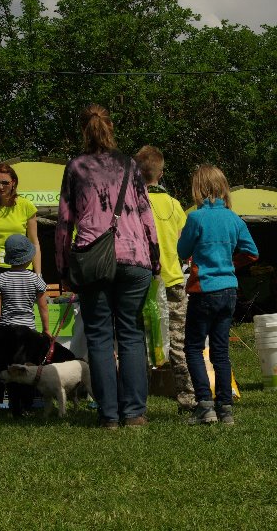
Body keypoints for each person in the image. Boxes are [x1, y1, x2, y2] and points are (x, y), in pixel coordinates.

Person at [55, 104, 160, 429]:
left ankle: (109, 415)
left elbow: (64, 223)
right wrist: (154, 258)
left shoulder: (76, 167)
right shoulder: (129, 165)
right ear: (110, 128)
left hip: (92, 259)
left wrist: (63, 268)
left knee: (99, 337)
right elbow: (146, 214)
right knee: (131, 334)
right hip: (134, 257)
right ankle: (135, 413)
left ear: (83, 130)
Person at [177, 165, 258, 426]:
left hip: (204, 289)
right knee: (221, 351)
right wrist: (231, 264)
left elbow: (182, 251)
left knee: (193, 347)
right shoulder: (234, 219)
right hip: (229, 289)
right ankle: (225, 408)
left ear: (198, 189)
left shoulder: (196, 218)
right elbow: (252, 252)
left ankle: (204, 405)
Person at [134, 145, 196, 413]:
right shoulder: (174, 205)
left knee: (137, 343)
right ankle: (188, 399)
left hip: (140, 283)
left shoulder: (132, 204)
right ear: (161, 173)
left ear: (137, 172)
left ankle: (136, 404)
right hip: (173, 281)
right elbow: (184, 243)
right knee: (178, 343)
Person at [0, 163, 41, 295]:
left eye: (5, 183)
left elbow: (34, 243)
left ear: (13, 183)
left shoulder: (26, 205)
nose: (0, 187)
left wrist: (38, 275)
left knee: (19, 305)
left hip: (20, 266)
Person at [0, 234, 50, 335]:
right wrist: (46, 329)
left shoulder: (1, 278)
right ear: (29, 257)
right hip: (29, 331)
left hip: (7, 330)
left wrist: (0, 325)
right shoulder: (36, 279)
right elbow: (43, 307)